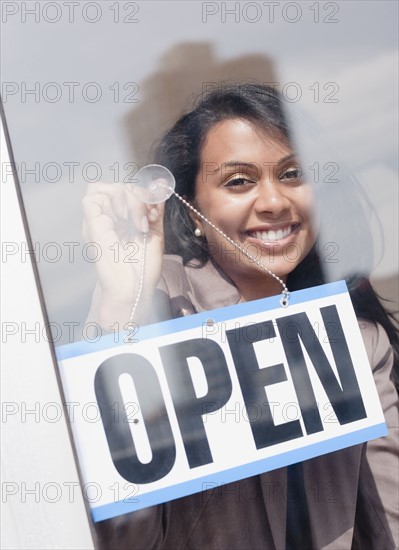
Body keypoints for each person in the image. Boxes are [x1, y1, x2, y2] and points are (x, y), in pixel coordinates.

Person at [83, 84, 399, 549]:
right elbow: (119, 534)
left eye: (292, 174)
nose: (273, 202)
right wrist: (119, 305)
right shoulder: (156, 305)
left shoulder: (355, 335)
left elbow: (387, 517)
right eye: (238, 181)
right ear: (192, 208)